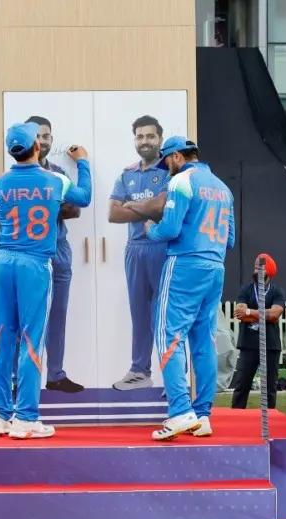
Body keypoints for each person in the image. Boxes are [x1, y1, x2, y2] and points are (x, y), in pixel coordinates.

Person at [0, 123, 92, 440]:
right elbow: (83, 198)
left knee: (1, 338)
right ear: (36, 146)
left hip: (3, 261)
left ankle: (0, 414)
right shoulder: (55, 180)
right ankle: (26, 418)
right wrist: (83, 161)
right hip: (35, 264)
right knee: (32, 340)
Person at [147, 136, 235, 440]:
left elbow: (169, 229)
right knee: (204, 342)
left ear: (176, 157)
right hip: (215, 266)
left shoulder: (182, 181)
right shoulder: (223, 188)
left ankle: (180, 411)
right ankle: (202, 415)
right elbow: (230, 239)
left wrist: (150, 229)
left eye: (166, 162)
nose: (166, 168)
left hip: (185, 263)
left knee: (168, 335)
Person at [106, 115, 170, 391]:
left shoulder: (170, 172)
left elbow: (161, 209)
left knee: (165, 315)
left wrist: (131, 205)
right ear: (135, 140)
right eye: (140, 136)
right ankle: (139, 371)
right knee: (140, 314)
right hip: (135, 249)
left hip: (162, 247)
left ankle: (172, 376)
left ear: (160, 140)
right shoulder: (127, 173)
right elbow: (112, 214)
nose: (145, 141)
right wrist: (146, 206)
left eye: (150, 136)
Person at [28, 115, 87, 394]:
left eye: (47, 135)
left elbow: (75, 208)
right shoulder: (19, 174)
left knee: (58, 316)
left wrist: (49, 206)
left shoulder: (59, 174)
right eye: (38, 135)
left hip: (60, 247)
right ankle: (25, 378)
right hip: (33, 252)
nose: (43, 140)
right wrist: (56, 205)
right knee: (29, 318)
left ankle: (55, 374)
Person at [231, 254, 286, 409]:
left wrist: (250, 313)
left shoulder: (277, 292)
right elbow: (240, 313)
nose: (256, 270)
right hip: (248, 344)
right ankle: (236, 417)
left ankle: (270, 418)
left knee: (269, 388)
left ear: (269, 270)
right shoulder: (246, 289)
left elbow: (275, 314)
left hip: (270, 345)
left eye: (260, 267)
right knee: (242, 385)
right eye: (255, 267)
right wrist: (263, 315)